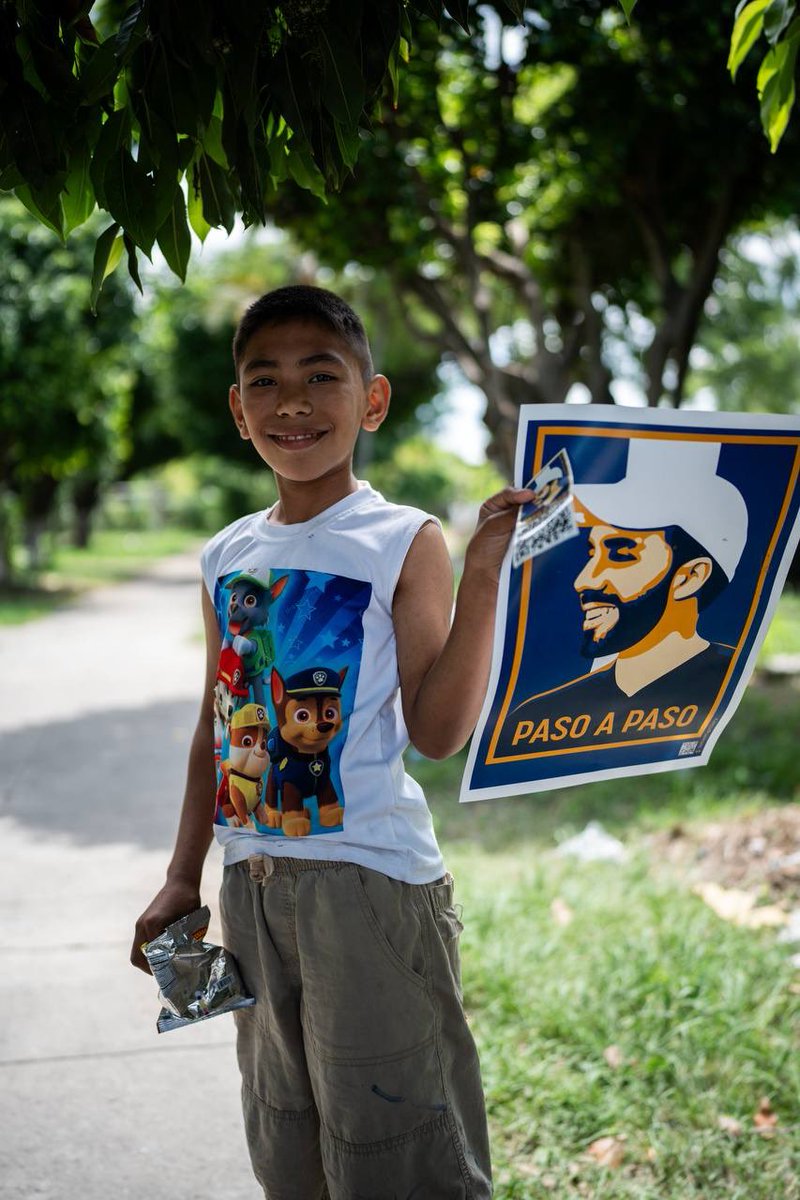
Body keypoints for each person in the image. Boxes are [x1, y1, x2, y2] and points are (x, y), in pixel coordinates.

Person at [131, 284, 533, 1200]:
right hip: (250, 888)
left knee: (397, 1143)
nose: (294, 402)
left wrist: (481, 577)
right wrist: (180, 874)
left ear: (373, 400)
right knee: (287, 1133)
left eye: (323, 376)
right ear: (238, 411)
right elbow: (216, 723)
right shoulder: (226, 553)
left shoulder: (401, 538)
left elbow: (436, 732)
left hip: (371, 890)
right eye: (264, 381)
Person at [501, 438, 749, 755]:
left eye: (621, 555)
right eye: (592, 553)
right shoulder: (537, 718)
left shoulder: (726, 683)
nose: (583, 580)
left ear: (690, 577)